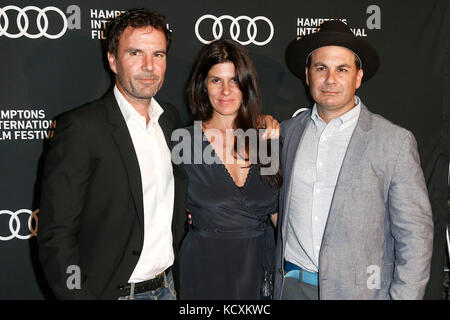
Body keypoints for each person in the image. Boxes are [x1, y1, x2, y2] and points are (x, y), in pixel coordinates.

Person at [37, 9, 279, 300]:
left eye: (158, 55)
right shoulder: (82, 127)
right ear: (113, 60)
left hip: (169, 288)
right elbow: (56, 236)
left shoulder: (171, 123)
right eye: (136, 53)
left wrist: (261, 121)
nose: (149, 66)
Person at [274, 20, 434, 300]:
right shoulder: (287, 133)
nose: (330, 79)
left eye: (342, 69)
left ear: (358, 77)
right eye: (321, 68)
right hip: (290, 288)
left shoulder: (394, 142)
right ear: (308, 75)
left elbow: (416, 236)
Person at [176, 39, 281, 300]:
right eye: (216, 80)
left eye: (234, 80)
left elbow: (281, 217)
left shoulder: (266, 139)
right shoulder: (183, 142)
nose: (226, 90)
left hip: (258, 271)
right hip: (203, 272)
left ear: (247, 85)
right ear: (202, 86)